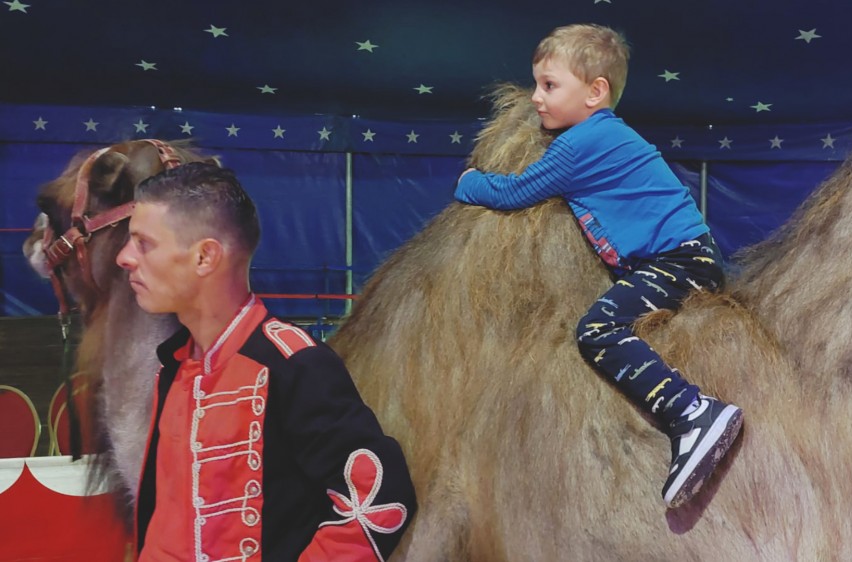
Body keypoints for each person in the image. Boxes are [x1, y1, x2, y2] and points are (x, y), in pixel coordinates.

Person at [455, 23, 743, 509]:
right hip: (685, 256)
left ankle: (692, 412)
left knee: (598, 330)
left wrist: (468, 182)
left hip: (678, 260)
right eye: (536, 84)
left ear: (595, 92)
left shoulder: (582, 143)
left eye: (549, 85)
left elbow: (514, 192)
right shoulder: (604, 135)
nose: (536, 97)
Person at [116, 162, 416, 561]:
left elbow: (380, 497)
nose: (124, 257)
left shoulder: (292, 364)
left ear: (205, 257)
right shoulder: (172, 366)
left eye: (143, 243)